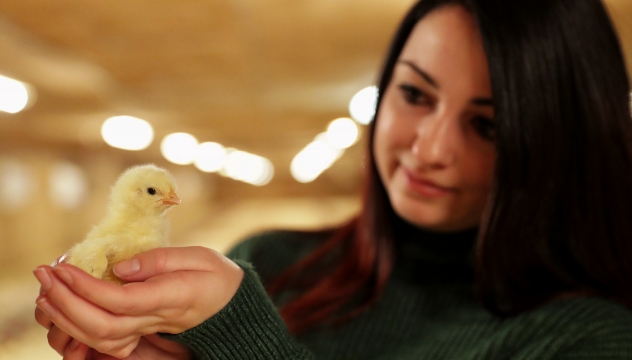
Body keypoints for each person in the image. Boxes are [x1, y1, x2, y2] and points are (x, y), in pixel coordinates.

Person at [34, 0, 632, 358]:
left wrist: (248, 341)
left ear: (561, 142)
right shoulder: (269, 265)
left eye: (489, 126)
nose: (428, 149)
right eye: (415, 94)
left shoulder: (592, 340)